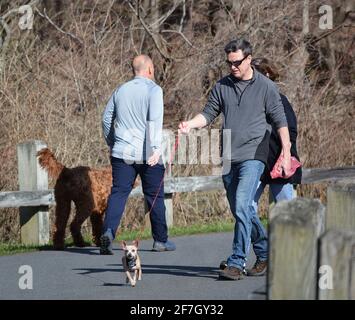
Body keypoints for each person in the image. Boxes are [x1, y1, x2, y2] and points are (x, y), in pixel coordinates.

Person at [178, 39, 291, 280]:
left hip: (254, 153)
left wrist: (287, 152)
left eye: (237, 62)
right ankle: (264, 251)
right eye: (229, 63)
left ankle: (236, 262)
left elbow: (281, 120)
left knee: (242, 204)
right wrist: (190, 124)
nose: (232, 67)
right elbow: (208, 113)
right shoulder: (222, 86)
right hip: (229, 155)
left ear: (249, 59)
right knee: (240, 209)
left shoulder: (266, 87)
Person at [100, 54, 176, 255]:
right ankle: (160, 241)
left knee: (118, 193)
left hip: (122, 152)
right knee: (154, 195)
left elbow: (107, 119)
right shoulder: (154, 90)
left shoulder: (120, 90)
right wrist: (154, 150)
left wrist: (112, 142)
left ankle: (108, 232)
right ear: (150, 69)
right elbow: (154, 121)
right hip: (147, 154)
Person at [251, 58, 302, 239]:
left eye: (255, 74)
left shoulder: (280, 100)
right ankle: (260, 251)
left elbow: (292, 131)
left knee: (285, 211)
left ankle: (295, 250)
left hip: (278, 163)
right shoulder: (248, 101)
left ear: (266, 75)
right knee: (247, 207)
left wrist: (284, 156)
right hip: (256, 163)